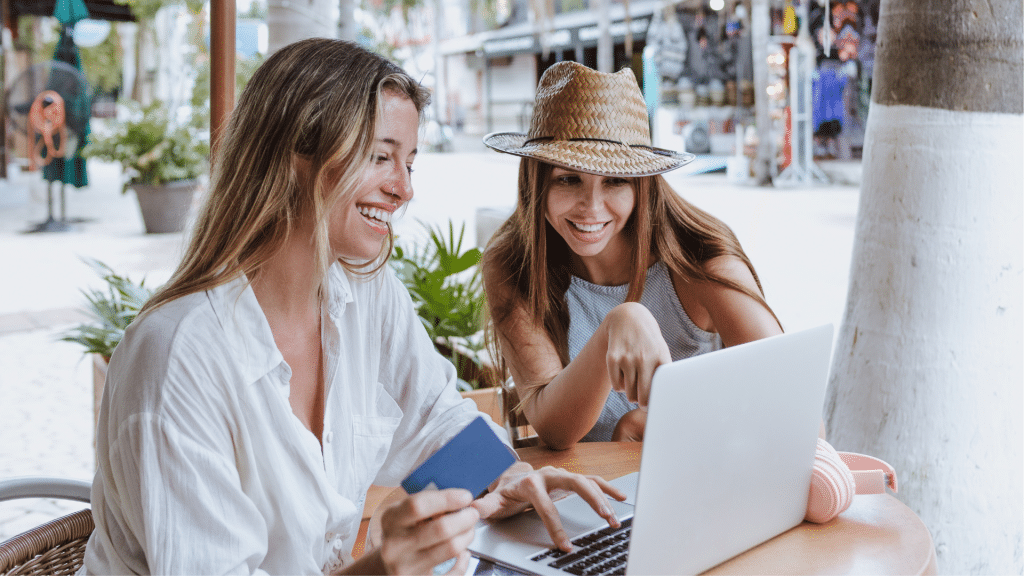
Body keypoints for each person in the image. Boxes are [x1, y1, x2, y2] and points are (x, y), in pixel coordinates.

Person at [83, 40, 625, 576]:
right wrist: (381, 570)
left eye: (409, 162)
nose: (403, 189)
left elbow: (439, 420)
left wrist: (504, 477)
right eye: (380, 156)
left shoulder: (363, 287)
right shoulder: (179, 358)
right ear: (294, 156)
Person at [481, 61, 783, 450]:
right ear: (535, 182)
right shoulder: (513, 264)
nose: (591, 207)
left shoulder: (699, 255)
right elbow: (552, 428)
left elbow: (793, 403)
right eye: (568, 179)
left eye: (615, 181)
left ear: (643, 187)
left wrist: (674, 421)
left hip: (705, 478)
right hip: (590, 496)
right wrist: (619, 322)